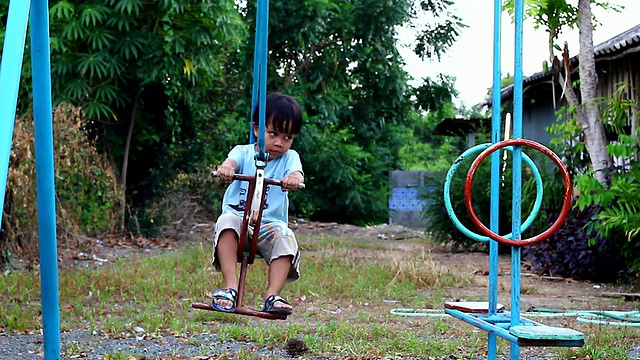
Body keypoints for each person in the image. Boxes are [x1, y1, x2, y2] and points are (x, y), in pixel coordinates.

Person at [211, 92, 304, 315]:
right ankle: (230, 289)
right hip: (239, 220)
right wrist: (227, 169)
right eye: (273, 134)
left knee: (285, 236)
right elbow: (230, 162)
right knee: (226, 222)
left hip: (269, 226)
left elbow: (297, 174)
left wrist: (293, 179)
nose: (279, 143)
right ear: (257, 129)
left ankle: (273, 295)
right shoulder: (242, 152)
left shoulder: (289, 157)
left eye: (287, 137)